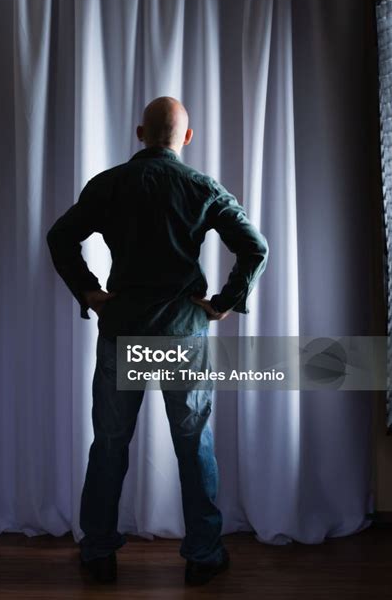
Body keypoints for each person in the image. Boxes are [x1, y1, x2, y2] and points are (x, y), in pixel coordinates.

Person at [46, 96, 269, 586]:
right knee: (193, 444)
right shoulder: (199, 186)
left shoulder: (109, 184)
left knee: (109, 442)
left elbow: (60, 237)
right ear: (186, 138)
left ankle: (99, 552)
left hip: (124, 327)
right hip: (181, 332)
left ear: (140, 132)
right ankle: (204, 556)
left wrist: (88, 289)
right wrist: (226, 300)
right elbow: (255, 246)